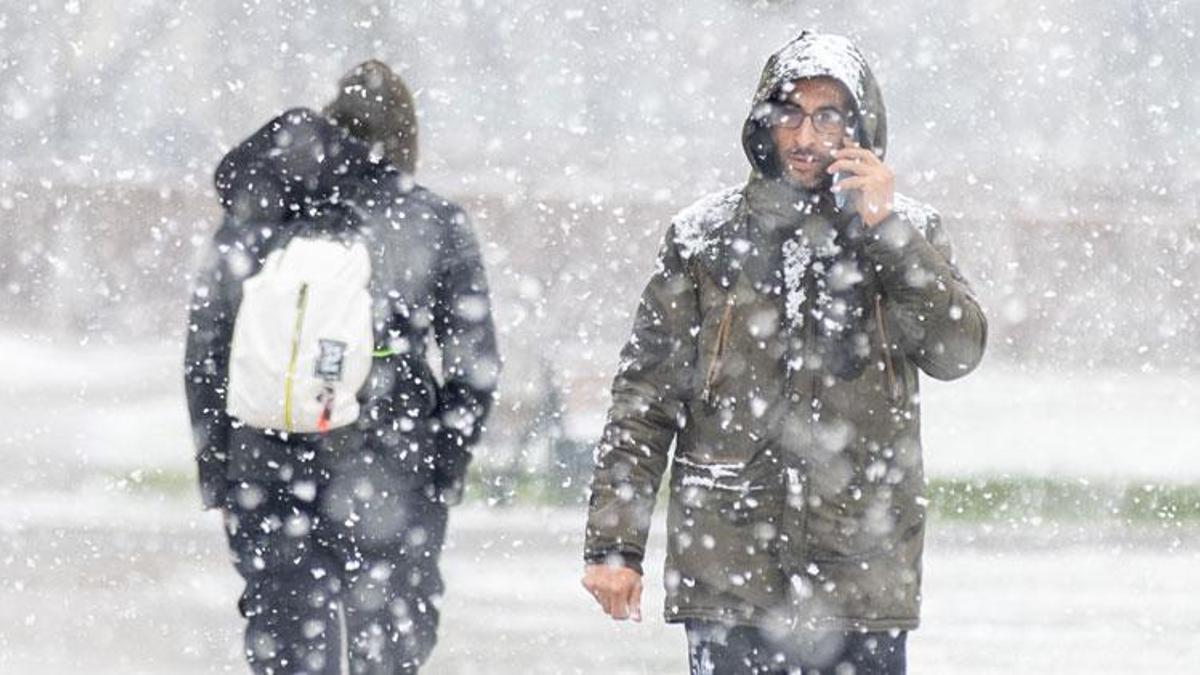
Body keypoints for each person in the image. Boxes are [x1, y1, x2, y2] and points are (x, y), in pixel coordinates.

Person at [581, 31, 986, 674]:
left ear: (860, 124)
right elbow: (645, 397)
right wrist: (614, 545)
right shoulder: (703, 239)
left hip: (862, 579)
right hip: (731, 576)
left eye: (827, 115)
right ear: (763, 122)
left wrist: (887, 233)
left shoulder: (907, 228)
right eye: (790, 114)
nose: (804, 137)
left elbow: (957, 351)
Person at [185, 60, 498, 674]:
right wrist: (445, 465)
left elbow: (206, 350)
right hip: (391, 459)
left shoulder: (261, 213)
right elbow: (473, 360)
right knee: (388, 640)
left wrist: (220, 470)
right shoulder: (431, 220)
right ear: (405, 140)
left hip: (268, 458)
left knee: (287, 642)